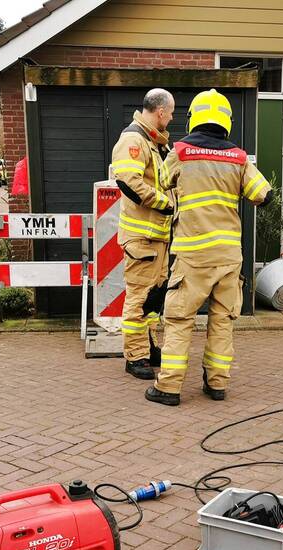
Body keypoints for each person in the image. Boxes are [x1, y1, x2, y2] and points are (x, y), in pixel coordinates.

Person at [145, 89, 271, 406]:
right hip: (229, 257)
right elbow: (263, 195)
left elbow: (160, 182)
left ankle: (169, 388)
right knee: (222, 320)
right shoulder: (239, 157)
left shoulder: (180, 152)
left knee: (179, 320)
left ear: (195, 117)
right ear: (226, 120)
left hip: (192, 256)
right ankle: (216, 384)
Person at [110, 88, 175, 380]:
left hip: (157, 237)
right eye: (171, 113)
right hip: (142, 239)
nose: (171, 119)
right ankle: (134, 357)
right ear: (160, 112)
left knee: (153, 299)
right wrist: (165, 204)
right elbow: (127, 180)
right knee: (138, 298)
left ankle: (148, 348)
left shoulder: (154, 142)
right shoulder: (134, 139)